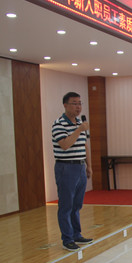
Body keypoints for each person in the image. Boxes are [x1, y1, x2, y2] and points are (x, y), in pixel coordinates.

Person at [52, 92, 93, 251]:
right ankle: (67, 239)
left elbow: (84, 145)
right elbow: (65, 145)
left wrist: (89, 166)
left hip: (80, 166)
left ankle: (76, 234)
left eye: (80, 103)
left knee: (77, 205)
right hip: (66, 167)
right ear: (65, 105)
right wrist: (78, 130)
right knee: (66, 205)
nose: (78, 107)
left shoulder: (79, 123)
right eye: (74, 103)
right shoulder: (59, 124)